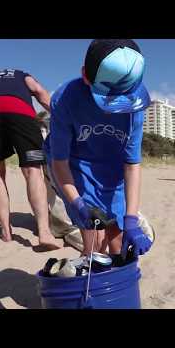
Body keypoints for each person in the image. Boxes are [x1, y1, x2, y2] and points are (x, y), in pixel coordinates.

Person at [44, 39, 153, 260]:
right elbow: (60, 162)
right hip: (76, 164)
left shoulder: (135, 107)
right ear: (85, 75)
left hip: (113, 167)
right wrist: (77, 202)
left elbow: (132, 165)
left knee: (119, 240)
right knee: (95, 242)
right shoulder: (66, 99)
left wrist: (130, 219)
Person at [0, 69, 61, 250]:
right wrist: (60, 115)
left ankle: (6, 231)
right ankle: (44, 232)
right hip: (19, 111)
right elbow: (39, 91)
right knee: (33, 170)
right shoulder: (20, 75)